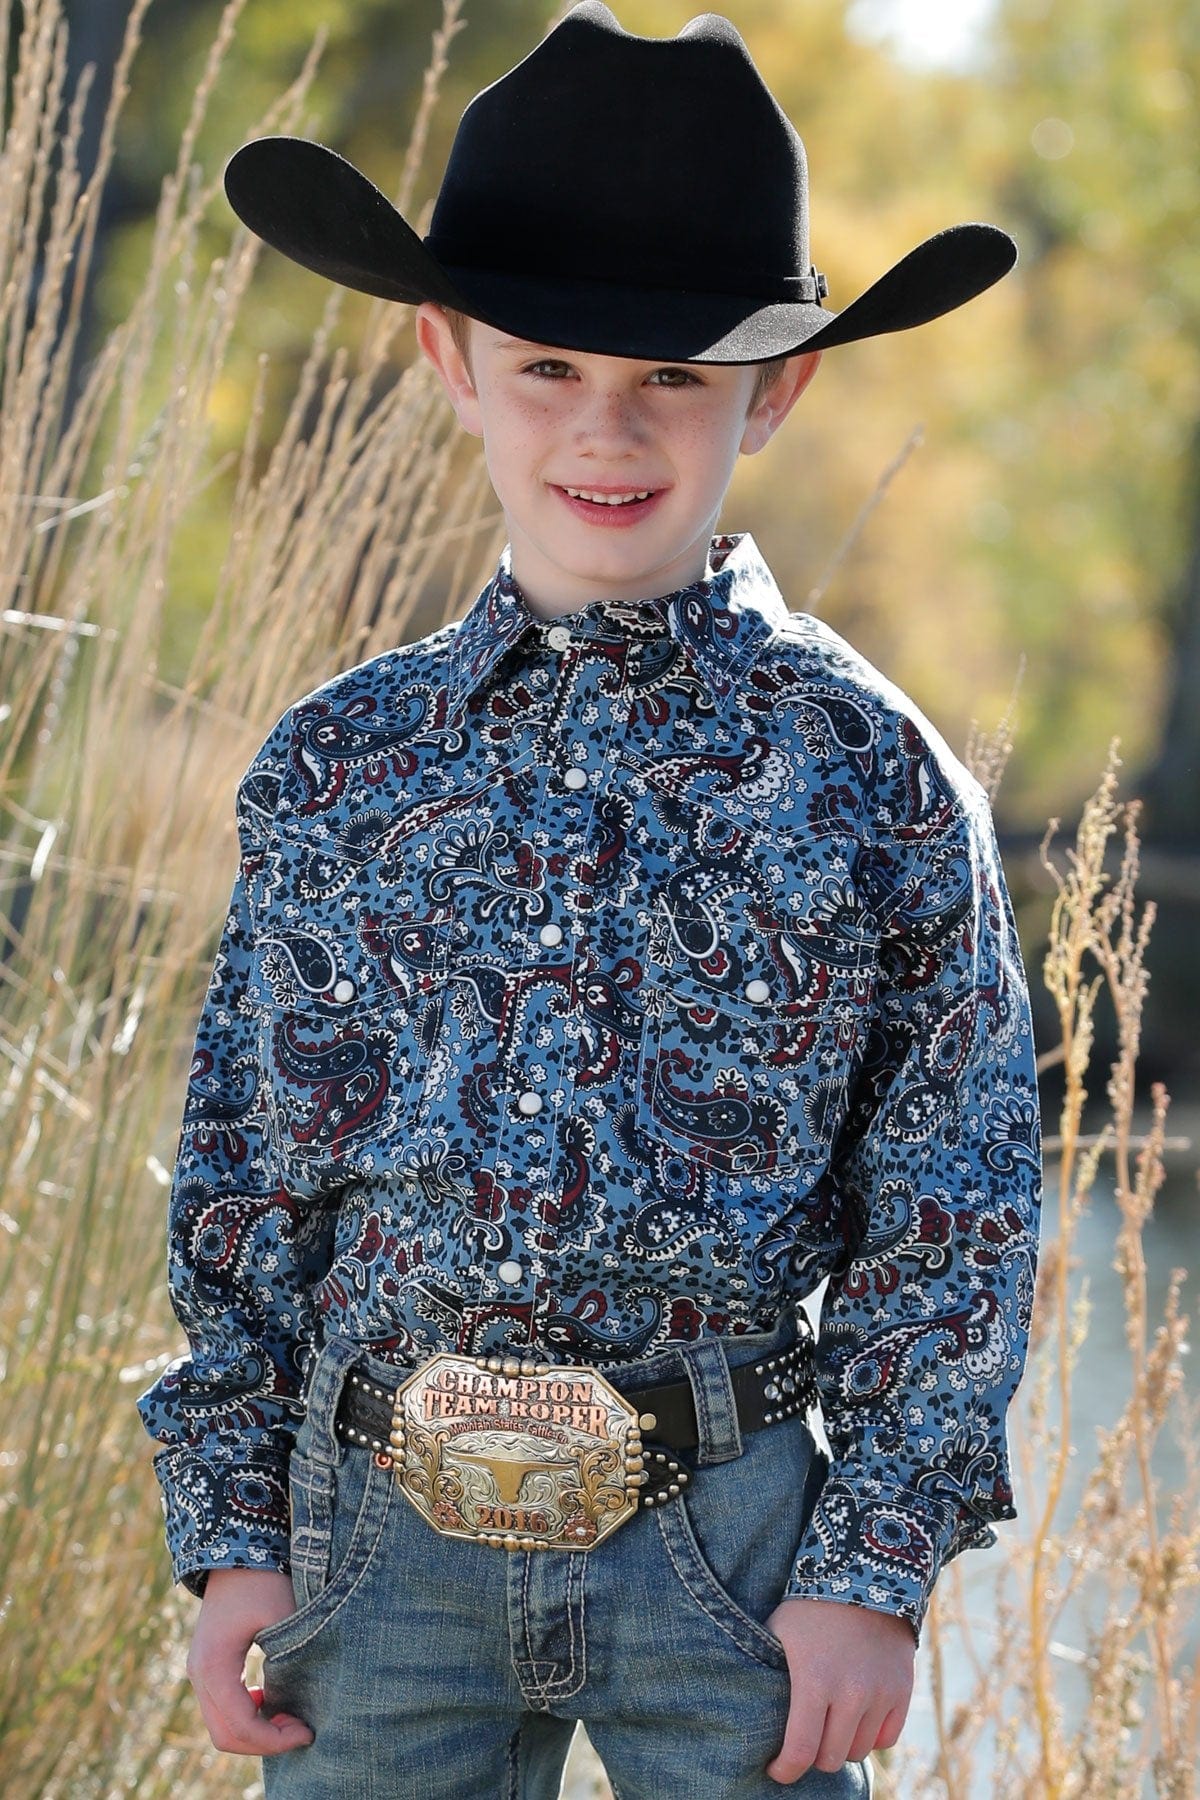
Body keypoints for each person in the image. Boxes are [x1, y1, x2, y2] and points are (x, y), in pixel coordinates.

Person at [137, 6, 1042, 1796]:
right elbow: (245, 1180)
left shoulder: (867, 776)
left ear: (772, 393)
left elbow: (952, 1200)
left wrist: (873, 1567)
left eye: (674, 381)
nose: (605, 431)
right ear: (447, 356)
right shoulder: (335, 768)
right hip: (368, 1540)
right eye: (548, 367)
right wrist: (231, 1522)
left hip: (725, 1541)